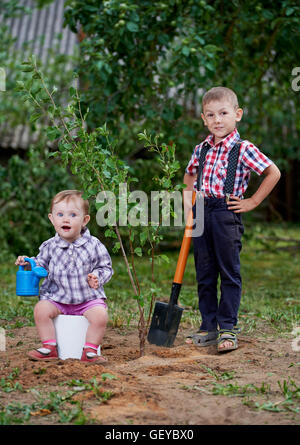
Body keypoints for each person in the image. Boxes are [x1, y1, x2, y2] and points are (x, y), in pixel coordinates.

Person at [183, 86, 281, 353]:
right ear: (203, 118)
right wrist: (188, 204)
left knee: (228, 272)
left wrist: (252, 201)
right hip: (201, 212)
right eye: (211, 115)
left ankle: (227, 326)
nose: (217, 120)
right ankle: (208, 326)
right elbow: (190, 175)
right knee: (204, 272)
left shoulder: (243, 148)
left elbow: (273, 172)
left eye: (223, 113)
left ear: (237, 114)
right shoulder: (201, 149)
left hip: (227, 214)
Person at [15, 190, 113, 363]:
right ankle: (49, 347)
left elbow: (105, 266)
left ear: (84, 220)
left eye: (73, 215)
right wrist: (28, 263)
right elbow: (40, 264)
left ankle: (90, 351)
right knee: (41, 310)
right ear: (52, 219)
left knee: (100, 316)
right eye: (60, 214)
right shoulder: (49, 246)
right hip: (57, 298)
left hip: (87, 299)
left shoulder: (93, 245)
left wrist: (97, 277)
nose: (65, 219)